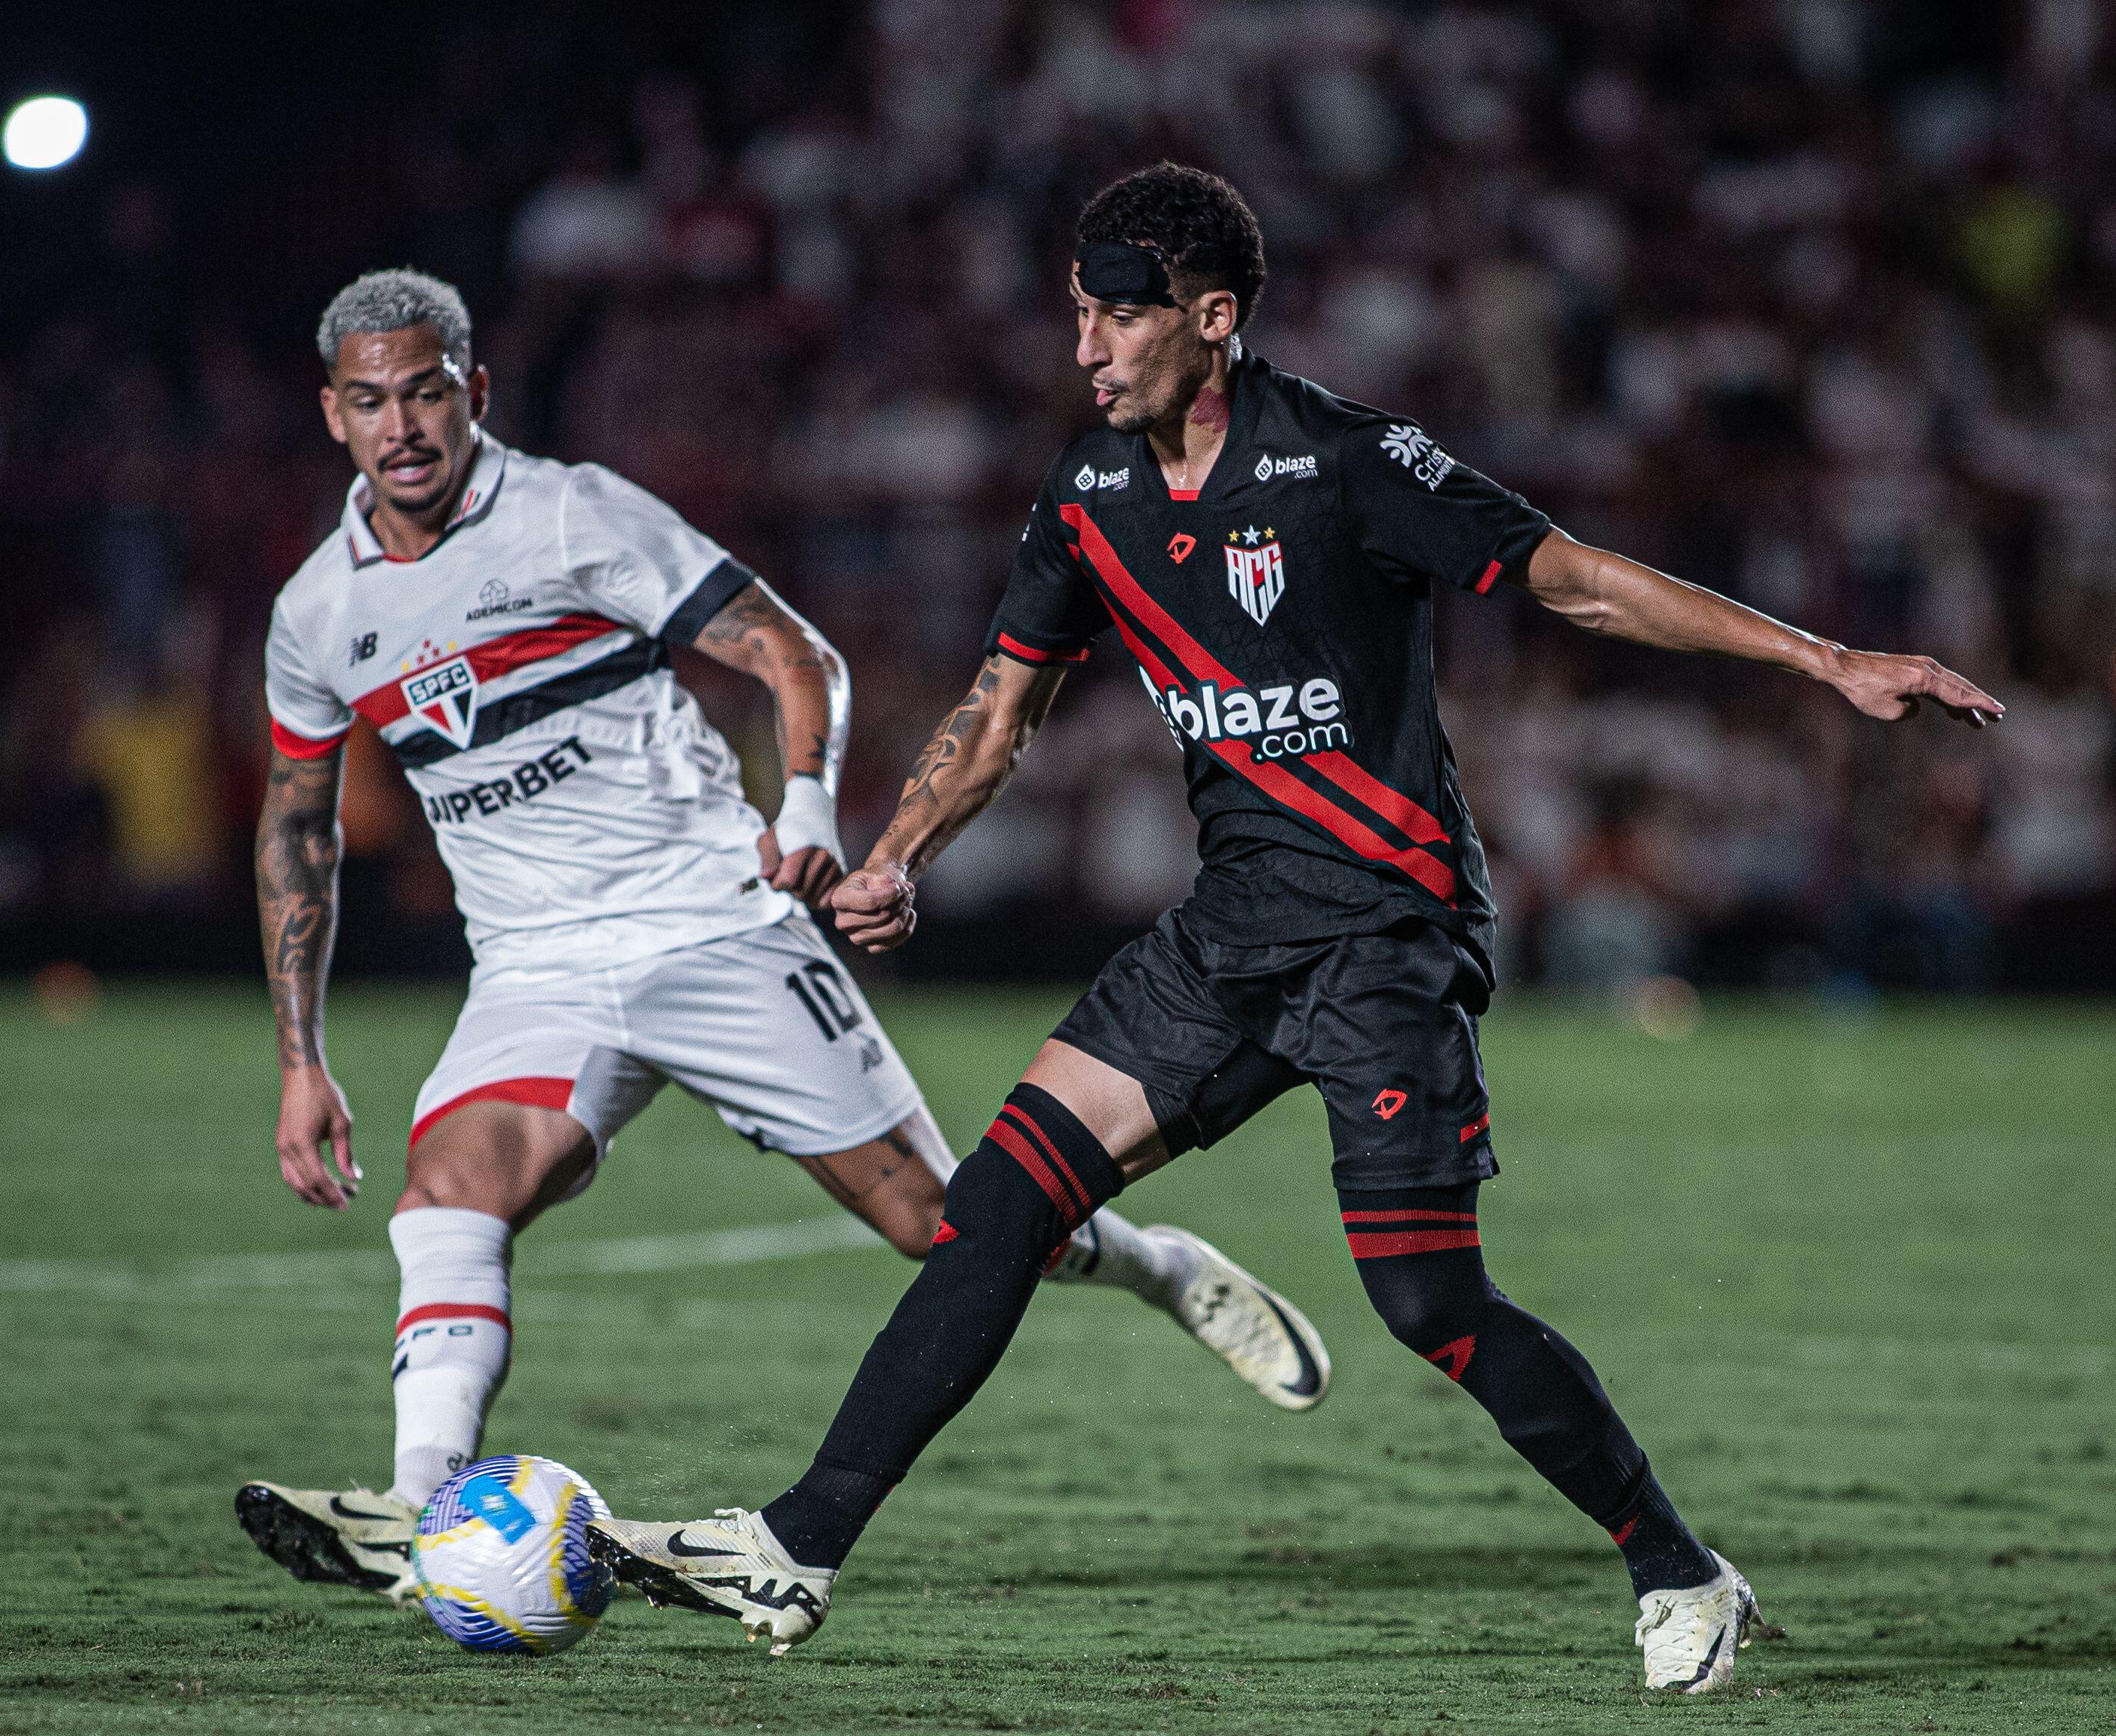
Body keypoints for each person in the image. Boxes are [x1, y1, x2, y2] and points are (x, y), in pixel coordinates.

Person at [588, 167, 2004, 1694]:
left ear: (1211, 317)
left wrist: (1822, 654)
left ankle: (1678, 1567)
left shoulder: (1342, 460)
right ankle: (795, 1540)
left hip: (1386, 932)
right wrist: (898, 851)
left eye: (1117, 312)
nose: (1086, 345)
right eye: (1076, 310)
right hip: (1229, 934)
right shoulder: (1090, 499)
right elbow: (1000, 712)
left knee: (1426, 1300)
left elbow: (1576, 583)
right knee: (992, 1205)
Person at [234, 268, 1332, 1604]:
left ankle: (1162, 1267)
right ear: (332, 414)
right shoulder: (314, 616)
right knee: (449, 1194)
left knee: (942, 1223)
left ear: (473, 390)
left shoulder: (572, 513)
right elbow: (299, 826)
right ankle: (416, 1511)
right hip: (537, 963)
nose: (400, 424)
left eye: (422, 392)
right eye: (368, 400)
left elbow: (791, 651)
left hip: (715, 924)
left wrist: (805, 801)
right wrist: (303, 1055)